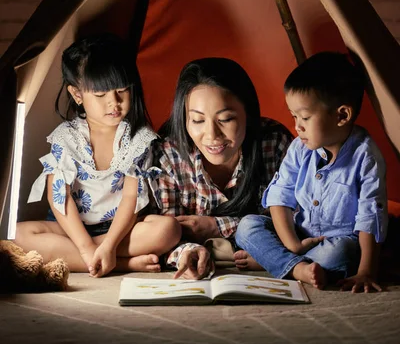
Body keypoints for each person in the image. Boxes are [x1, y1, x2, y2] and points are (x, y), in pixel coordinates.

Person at [16, 33, 181, 277]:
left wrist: (110, 244)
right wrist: (85, 248)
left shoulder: (137, 137)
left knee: (168, 230)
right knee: (18, 235)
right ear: (77, 95)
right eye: (101, 95)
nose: (113, 103)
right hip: (72, 229)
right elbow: (60, 198)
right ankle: (120, 263)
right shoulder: (66, 137)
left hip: (120, 229)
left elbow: (131, 198)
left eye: (122, 91)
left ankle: (106, 255)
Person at [235, 52, 388, 292]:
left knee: (341, 255)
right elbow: (280, 195)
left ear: (342, 115)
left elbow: (371, 215)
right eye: (294, 116)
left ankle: (273, 260)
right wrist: (293, 244)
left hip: (338, 241)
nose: (297, 126)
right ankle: (294, 265)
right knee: (247, 226)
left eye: (305, 117)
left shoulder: (366, 156)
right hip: (299, 234)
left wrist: (366, 272)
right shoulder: (300, 147)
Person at [151, 57, 293, 279]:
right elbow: (168, 233)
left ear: (248, 113)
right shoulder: (169, 152)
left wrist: (216, 226)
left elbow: (299, 221)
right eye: (197, 121)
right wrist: (188, 252)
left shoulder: (274, 142)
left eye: (225, 119)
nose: (211, 136)